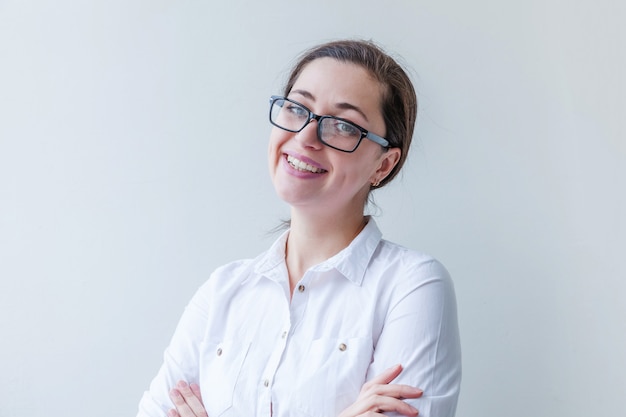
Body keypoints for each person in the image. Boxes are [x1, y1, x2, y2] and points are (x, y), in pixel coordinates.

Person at [137, 39, 461, 417]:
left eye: (342, 125)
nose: (305, 137)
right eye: (297, 108)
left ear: (383, 165)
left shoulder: (412, 286)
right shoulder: (222, 293)